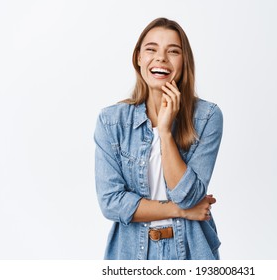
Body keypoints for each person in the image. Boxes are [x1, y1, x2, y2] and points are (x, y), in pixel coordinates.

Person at [94, 17, 223, 260]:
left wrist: (164, 132)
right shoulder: (111, 122)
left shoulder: (207, 117)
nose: (161, 58)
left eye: (173, 51)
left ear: (184, 62)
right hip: (131, 254)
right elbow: (111, 203)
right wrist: (181, 211)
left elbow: (189, 196)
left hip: (191, 252)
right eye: (151, 49)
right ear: (138, 58)